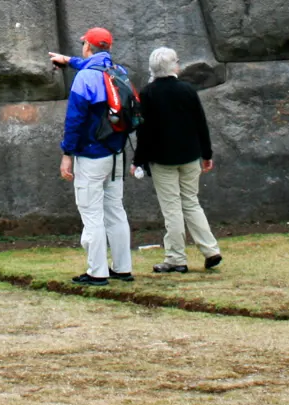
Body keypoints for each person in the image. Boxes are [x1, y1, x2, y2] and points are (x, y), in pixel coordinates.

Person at [50, 27, 133, 286]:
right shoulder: (120, 72)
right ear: (108, 47)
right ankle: (122, 268)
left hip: (91, 155)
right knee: (115, 211)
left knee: (92, 213)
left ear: (88, 46)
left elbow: (74, 120)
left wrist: (67, 153)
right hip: (117, 153)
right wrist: (68, 60)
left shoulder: (85, 78)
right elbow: (92, 64)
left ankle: (97, 272)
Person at [133, 47, 222, 274]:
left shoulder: (148, 93)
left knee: (172, 208)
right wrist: (207, 154)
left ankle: (176, 258)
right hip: (190, 155)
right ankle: (210, 249)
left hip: (162, 159)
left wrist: (138, 160)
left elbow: (144, 133)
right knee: (191, 202)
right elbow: (201, 124)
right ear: (174, 66)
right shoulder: (187, 90)